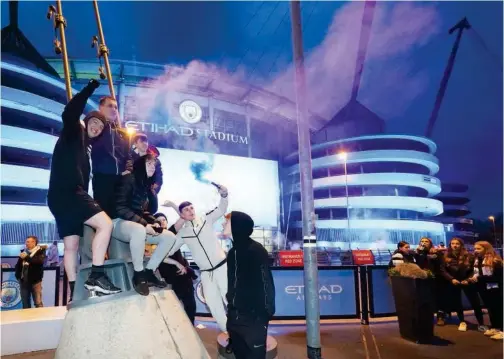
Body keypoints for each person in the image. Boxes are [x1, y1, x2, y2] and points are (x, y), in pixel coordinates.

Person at [47, 79, 121, 299]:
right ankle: (97, 276)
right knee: (105, 224)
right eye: (94, 122)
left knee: (71, 246)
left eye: (100, 127)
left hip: (58, 198)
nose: (97, 127)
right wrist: (89, 88)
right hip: (69, 193)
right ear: (86, 121)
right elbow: (71, 111)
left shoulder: (85, 148)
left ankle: (74, 292)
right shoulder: (73, 132)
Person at [162, 184, 229, 333]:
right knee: (213, 304)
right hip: (206, 273)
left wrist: (224, 195)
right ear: (182, 215)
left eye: (191, 208)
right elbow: (165, 254)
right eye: (186, 210)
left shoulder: (206, 219)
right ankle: (228, 333)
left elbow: (221, 209)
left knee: (229, 299)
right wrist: (176, 263)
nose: (190, 211)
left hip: (222, 267)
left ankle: (241, 332)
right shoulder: (182, 233)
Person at [113, 154, 181, 296]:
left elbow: (142, 211)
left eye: (154, 165)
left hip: (134, 224)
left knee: (169, 237)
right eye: (149, 163)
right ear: (140, 164)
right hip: (117, 222)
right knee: (139, 230)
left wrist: (154, 221)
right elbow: (119, 207)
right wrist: (144, 223)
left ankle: (149, 272)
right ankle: (139, 275)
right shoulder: (129, 179)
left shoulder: (144, 186)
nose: (152, 167)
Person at [224, 211, 275, 359]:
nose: (222, 224)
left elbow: (266, 283)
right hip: (235, 317)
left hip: (254, 318)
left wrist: (265, 313)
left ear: (236, 226)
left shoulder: (255, 251)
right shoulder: (233, 252)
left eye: (226, 222)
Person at [90, 96, 131, 217]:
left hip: (121, 180)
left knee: (120, 215)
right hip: (102, 179)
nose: (114, 109)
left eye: (116, 107)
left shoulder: (122, 133)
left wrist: (128, 169)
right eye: (110, 106)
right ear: (100, 108)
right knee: (104, 216)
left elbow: (128, 155)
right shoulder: (94, 129)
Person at [154, 212, 198, 325]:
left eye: (164, 219)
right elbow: (158, 257)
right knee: (173, 309)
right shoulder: (153, 239)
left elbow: (183, 217)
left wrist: (185, 266)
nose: (162, 222)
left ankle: (191, 330)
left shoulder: (171, 234)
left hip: (184, 276)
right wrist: (177, 264)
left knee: (191, 307)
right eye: (158, 220)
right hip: (170, 280)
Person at [440, 237, 485, 332]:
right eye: (452, 243)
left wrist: (468, 280)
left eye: (457, 243)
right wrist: (451, 279)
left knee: (475, 303)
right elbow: (443, 270)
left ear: (461, 245)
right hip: (454, 282)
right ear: (450, 245)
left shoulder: (469, 256)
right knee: (457, 303)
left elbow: (474, 269)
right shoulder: (445, 256)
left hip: (467, 281)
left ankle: (481, 323)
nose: (455, 245)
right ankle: (462, 322)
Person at [470, 241, 503, 340]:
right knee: (491, 309)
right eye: (475, 248)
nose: (476, 251)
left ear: (486, 249)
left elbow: (498, 278)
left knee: (499, 309)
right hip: (484, 289)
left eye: (478, 248)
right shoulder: (478, 260)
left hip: (496, 289)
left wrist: (479, 278)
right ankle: (495, 327)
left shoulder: (495, 261)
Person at [414, 237, 447, 325]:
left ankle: (441, 317)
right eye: (422, 241)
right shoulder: (418, 253)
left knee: (438, 298)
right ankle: (427, 317)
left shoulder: (436, 253)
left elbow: (440, 265)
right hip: (422, 279)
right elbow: (419, 264)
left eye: (426, 241)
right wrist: (419, 253)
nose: (424, 243)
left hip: (436, 278)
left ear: (430, 243)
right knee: (425, 298)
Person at [15, 236, 46, 308]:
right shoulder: (23, 252)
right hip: (23, 281)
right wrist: (18, 276)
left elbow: (38, 261)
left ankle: (40, 318)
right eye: (26, 242)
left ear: (34, 242)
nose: (27, 243)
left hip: (35, 282)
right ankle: (26, 318)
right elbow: (18, 265)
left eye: (29, 242)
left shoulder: (40, 251)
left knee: (38, 303)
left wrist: (26, 257)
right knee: (25, 304)